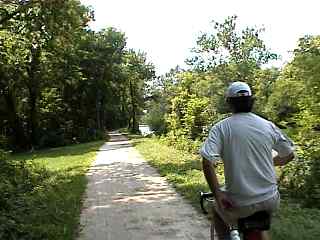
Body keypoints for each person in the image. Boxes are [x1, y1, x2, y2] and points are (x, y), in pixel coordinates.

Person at [200, 82, 295, 240]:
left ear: (229, 103)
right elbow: (289, 154)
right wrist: (268, 162)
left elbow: (207, 161)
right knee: (260, 225)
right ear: (252, 101)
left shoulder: (221, 128)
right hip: (270, 200)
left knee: (216, 209)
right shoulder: (268, 126)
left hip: (240, 203)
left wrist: (218, 194)